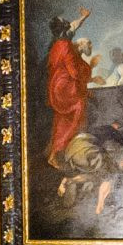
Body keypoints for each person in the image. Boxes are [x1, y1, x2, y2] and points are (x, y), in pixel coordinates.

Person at [43, 9, 94, 167]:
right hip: (65, 88)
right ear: (63, 29)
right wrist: (88, 73)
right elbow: (74, 72)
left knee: (62, 118)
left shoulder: (56, 44)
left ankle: (54, 153)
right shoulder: (66, 45)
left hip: (55, 86)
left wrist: (84, 17)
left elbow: (74, 26)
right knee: (79, 108)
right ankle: (62, 149)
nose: (69, 24)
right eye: (66, 23)